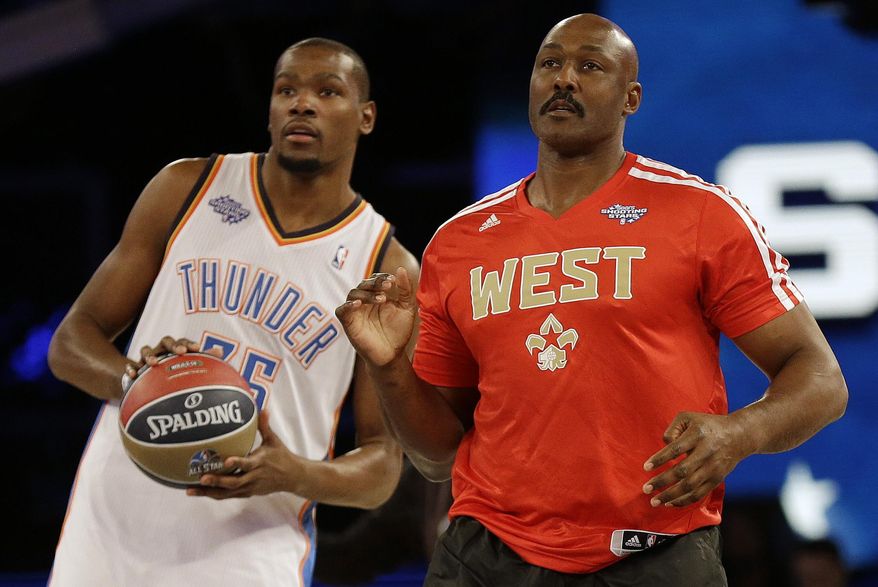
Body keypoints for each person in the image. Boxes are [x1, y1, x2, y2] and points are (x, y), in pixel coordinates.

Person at [335, 13, 848, 586]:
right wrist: (388, 368)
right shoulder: (459, 243)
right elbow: (436, 457)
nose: (564, 79)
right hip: (486, 555)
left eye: (590, 66)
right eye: (549, 64)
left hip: (655, 554)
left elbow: (821, 381)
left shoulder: (701, 215)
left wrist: (738, 435)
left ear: (631, 98)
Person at [47, 37, 418, 587]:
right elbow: (70, 343)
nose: (302, 103)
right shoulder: (187, 188)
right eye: (286, 89)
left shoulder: (383, 265)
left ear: (366, 117)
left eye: (327, 91)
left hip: (250, 545)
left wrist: (294, 473)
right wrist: (138, 382)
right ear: (269, 110)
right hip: (115, 519)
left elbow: (383, 467)